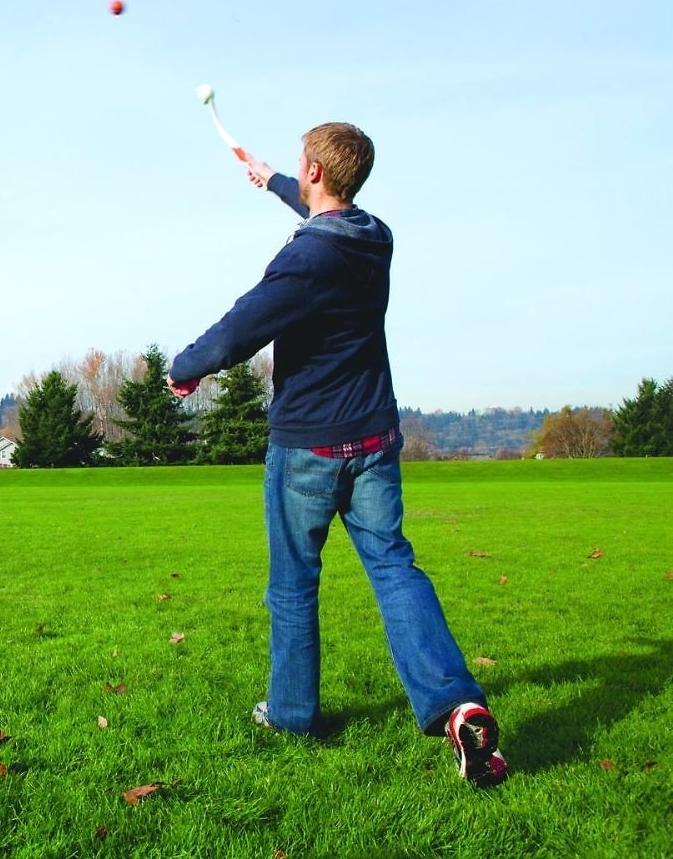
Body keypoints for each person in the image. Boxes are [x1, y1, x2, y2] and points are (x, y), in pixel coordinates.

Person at [166, 123, 509, 788]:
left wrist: (187, 367)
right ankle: (455, 702)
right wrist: (273, 183)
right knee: (394, 567)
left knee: (294, 584)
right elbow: (325, 210)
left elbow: (243, 325)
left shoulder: (306, 261)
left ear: (319, 171)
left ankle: (292, 714)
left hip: (308, 450)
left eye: (302, 168)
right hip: (375, 440)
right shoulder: (375, 236)